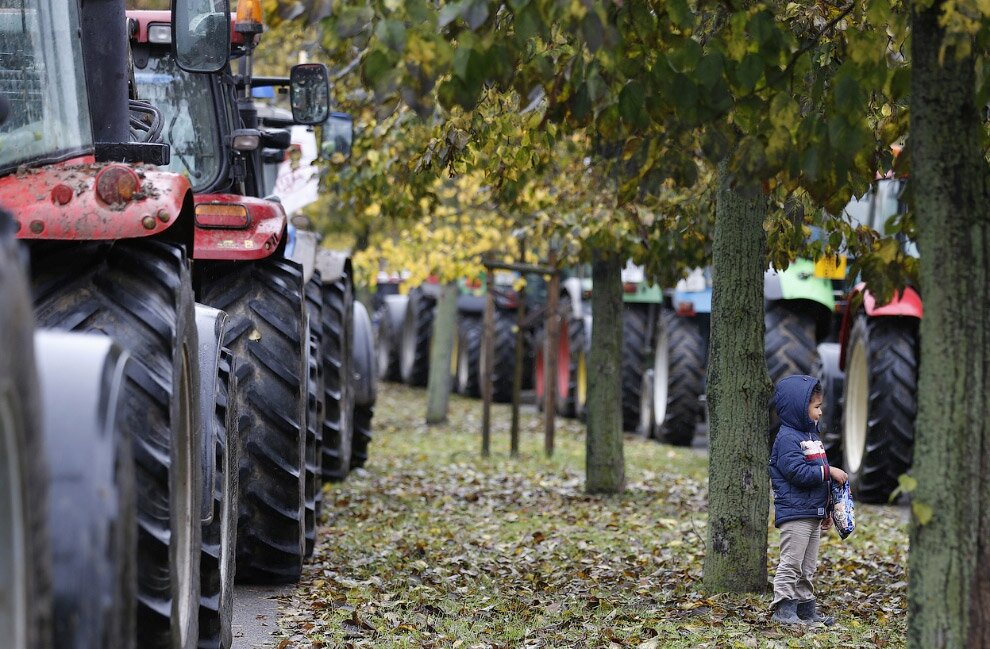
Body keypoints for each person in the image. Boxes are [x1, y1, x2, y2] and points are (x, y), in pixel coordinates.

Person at [769, 374, 848, 626]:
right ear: (798, 409)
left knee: (807, 566)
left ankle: (805, 609)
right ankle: (783, 608)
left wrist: (825, 509)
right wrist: (830, 471)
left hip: (811, 512)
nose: (821, 412)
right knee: (792, 562)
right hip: (795, 514)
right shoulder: (787, 439)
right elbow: (798, 473)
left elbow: (818, 481)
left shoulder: (812, 437)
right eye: (816, 407)